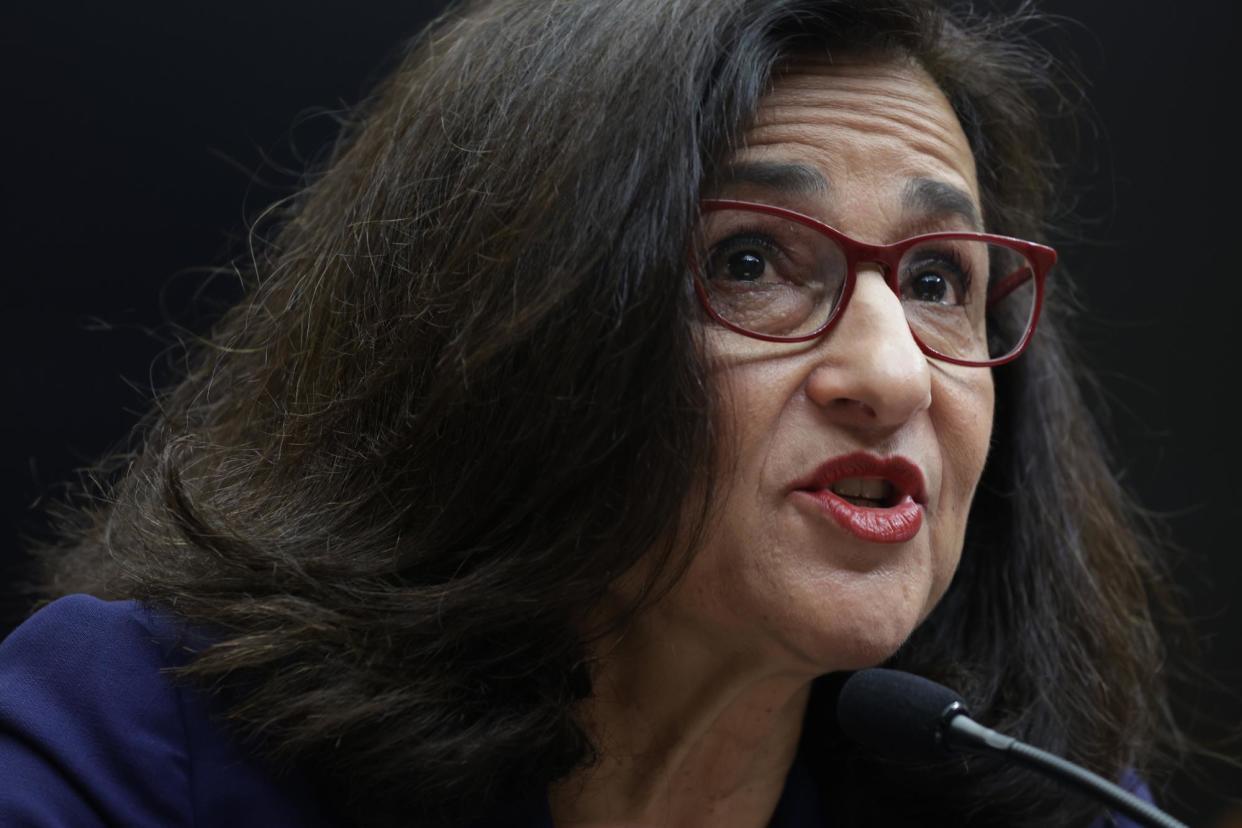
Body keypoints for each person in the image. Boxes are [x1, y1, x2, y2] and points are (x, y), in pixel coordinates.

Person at [0, 0, 1189, 825]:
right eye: (749, 263)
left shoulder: (1039, 802)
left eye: (937, 281)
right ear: (513, 328)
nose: (892, 375)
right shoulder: (139, 743)